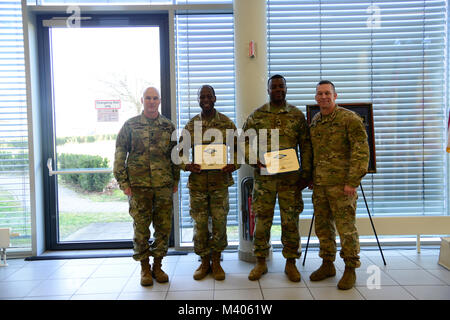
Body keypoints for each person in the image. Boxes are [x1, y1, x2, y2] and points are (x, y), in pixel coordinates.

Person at [242, 74, 312, 282]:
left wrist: (306, 174)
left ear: (286, 89)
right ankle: (261, 261)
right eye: (274, 87)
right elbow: (244, 141)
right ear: (268, 89)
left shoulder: (297, 116)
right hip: (264, 180)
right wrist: (253, 159)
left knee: (290, 221)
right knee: (262, 221)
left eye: (281, 86)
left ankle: (291, 262)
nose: (278, 90)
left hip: (290, 180)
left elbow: (306, 147)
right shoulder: (258, 115)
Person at [113, 87, 180, 287]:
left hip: (163, 187)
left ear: (160, 101)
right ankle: (144, 267)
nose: (152, 101)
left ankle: (157, 266)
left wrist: (175, 181)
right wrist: (123, 183)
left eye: (155, 98)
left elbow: (175, 157)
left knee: (163, 228)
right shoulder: (130, 125)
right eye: (148, 98)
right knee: (141, 230)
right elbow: (119, 154)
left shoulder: (168, 127)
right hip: (138, 188)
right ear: (142, 100)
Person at [309, 80, 370, 290]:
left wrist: (353, 181)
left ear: (335, 96)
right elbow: (314, 155)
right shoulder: (316, 121)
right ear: (316, 98)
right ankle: (328, 264)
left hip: (343, 187)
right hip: (320, 186)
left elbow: (361, 151)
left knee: (346, 229)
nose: (323, 97)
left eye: (327, 93)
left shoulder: (349, 119)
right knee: (323, 228)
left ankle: (350, 268)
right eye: (320, 94)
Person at [180, 85, 240, 281]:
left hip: (219, 184)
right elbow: (179, 152)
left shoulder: (226, 123)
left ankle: (216, 261)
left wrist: (234, 164)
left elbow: (239, 148)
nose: (205, 99)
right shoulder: (191, 125)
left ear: (215, 98)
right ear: (198, 100)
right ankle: (204, 261)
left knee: (220, 223)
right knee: (200, 224)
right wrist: (187, 166)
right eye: (202, 96)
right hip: (197, 185)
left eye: (209, 96)